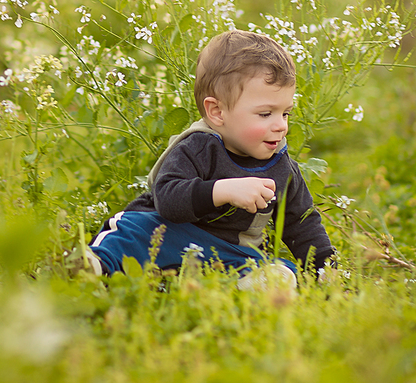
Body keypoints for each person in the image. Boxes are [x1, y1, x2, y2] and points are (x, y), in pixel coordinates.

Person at [83, 29, 334, 289]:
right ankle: (97, 265)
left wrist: (326, 267)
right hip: (169, 234)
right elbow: (168, 199)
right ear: (217, 112)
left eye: (285, 113)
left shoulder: (282, 167)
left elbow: (302, 222)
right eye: (266, 114)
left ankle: (248, 284)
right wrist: (222, 190)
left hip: (227, 253)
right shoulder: (198, 146)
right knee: (134, 228)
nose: (280, 126)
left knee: (281, 268)